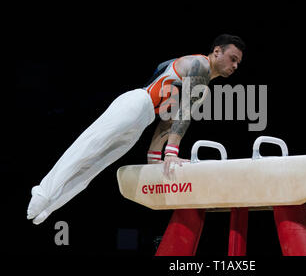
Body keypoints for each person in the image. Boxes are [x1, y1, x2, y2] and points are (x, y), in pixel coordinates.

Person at [27, 34, 245, 225]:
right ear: (217, 52)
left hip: (145, 119)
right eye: (232, 58)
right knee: (87, 148)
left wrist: (155, 156)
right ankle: (43, 192)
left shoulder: (203, 90)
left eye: (238, 63)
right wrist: (172, 153)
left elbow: (168, 121)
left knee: (97, 164)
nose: (235, 66)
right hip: (136, 103)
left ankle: (51, 205)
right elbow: (184, 113)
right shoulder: (199, 65)